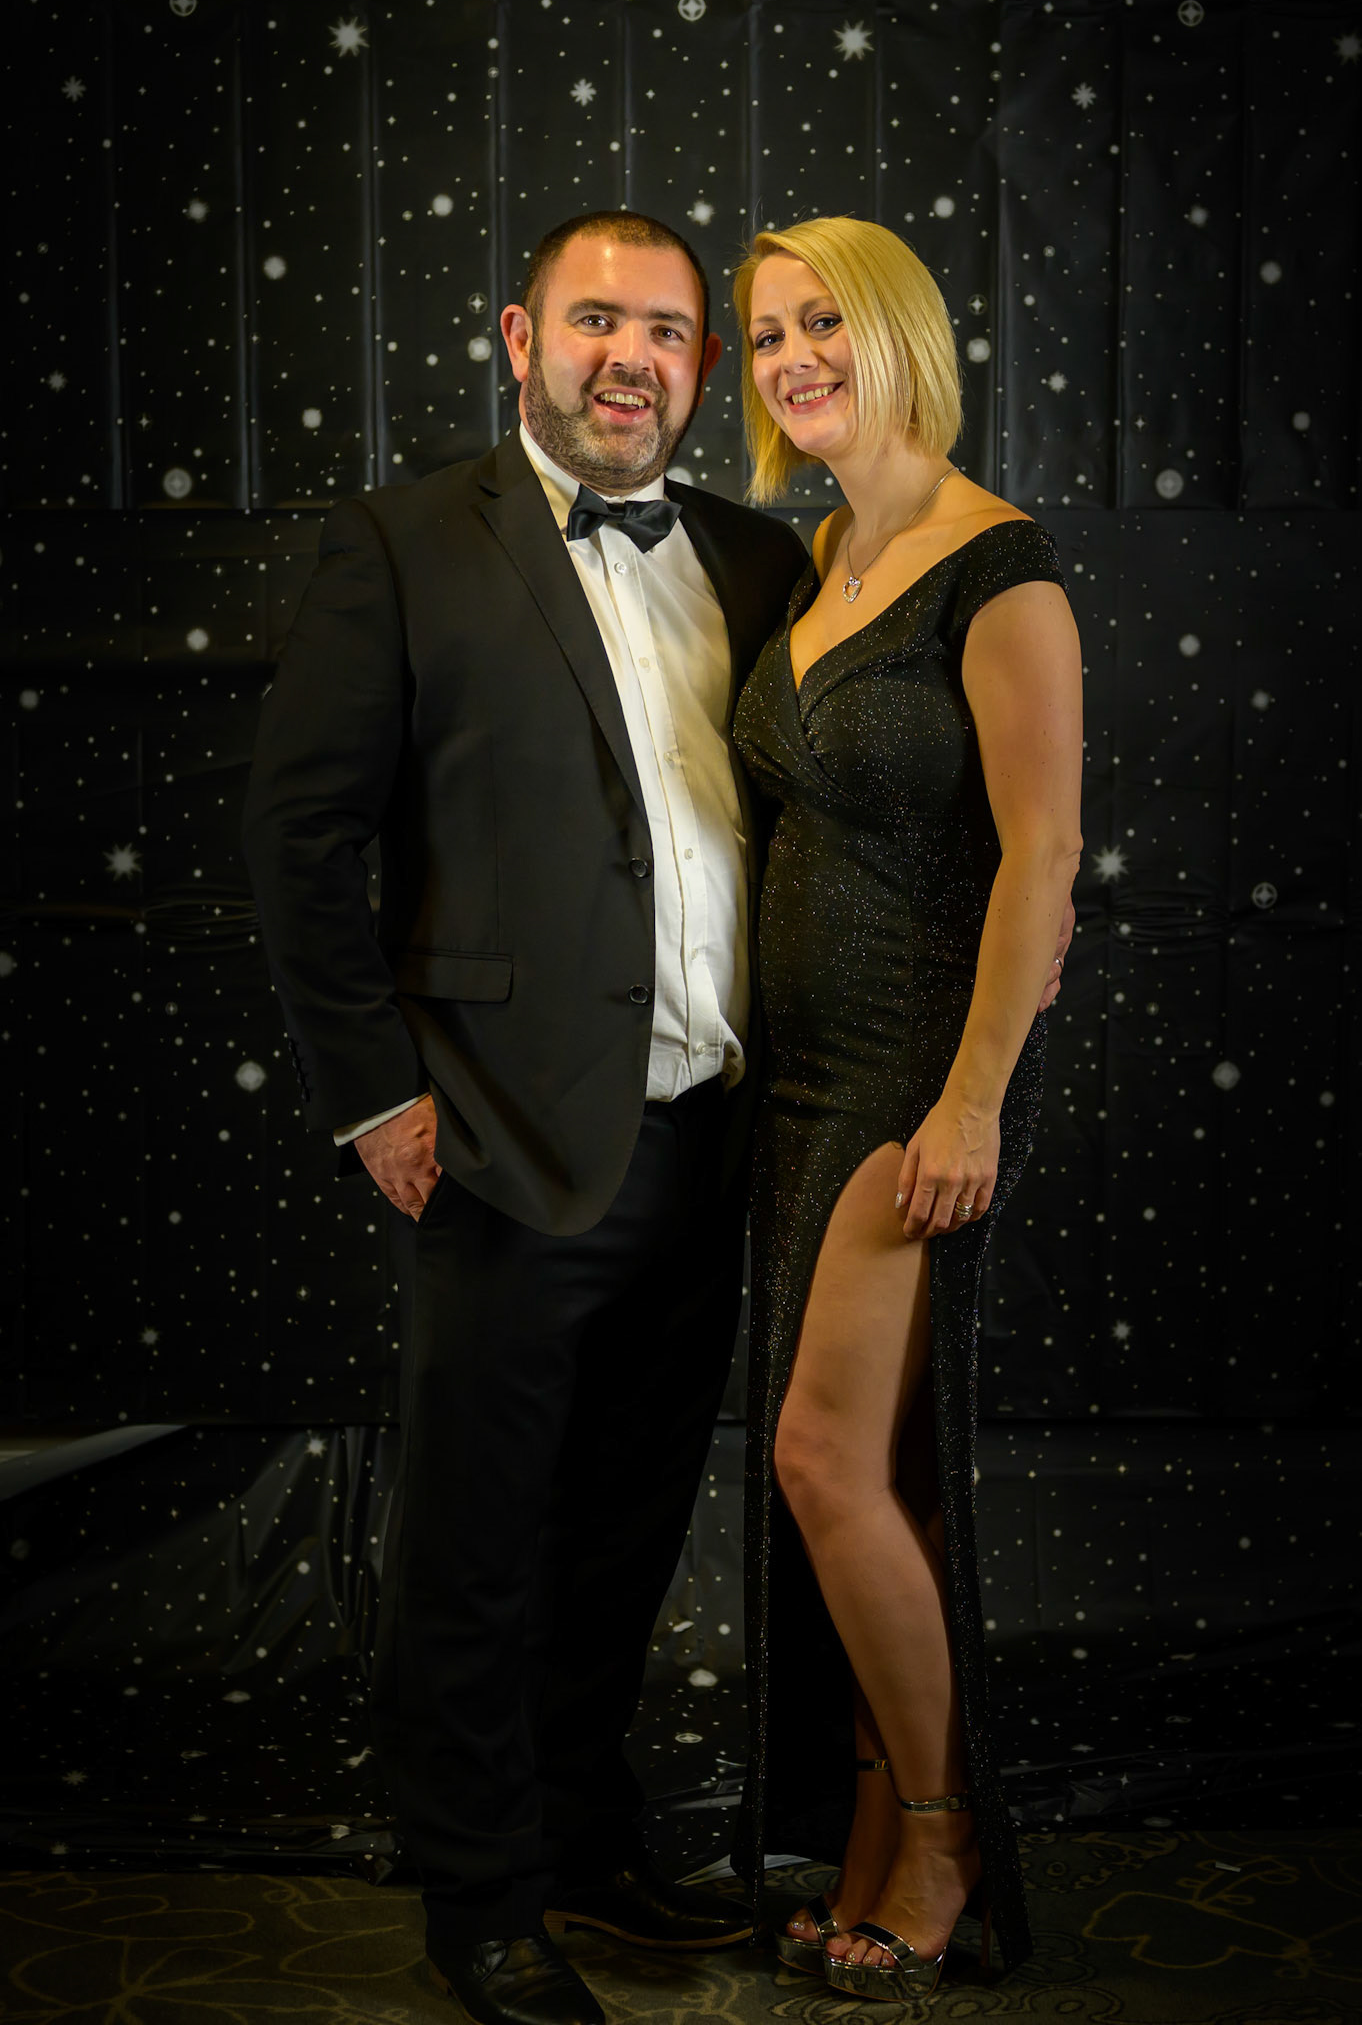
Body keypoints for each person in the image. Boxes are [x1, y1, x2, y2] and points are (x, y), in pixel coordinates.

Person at [242, 209, 810, 2025]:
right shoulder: (401, 542)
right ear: (519, 337)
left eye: (665, 331)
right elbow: (301, 839)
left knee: (627, 1524)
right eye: (594, 321)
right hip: (494, 1131)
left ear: (699, 369)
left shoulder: (758, 556)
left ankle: (581, 1839)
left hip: (713, 1130)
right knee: (479, 1543)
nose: (628, 357)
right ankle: (477, 1897)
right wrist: (375, 1097)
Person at [729, 216, 1084, 2003]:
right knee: (875, 1482)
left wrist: (971, 1101)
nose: (792, 359)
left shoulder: (995, 566)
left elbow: (1044, 858)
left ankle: (941, 1843)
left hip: (906, 1077)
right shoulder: (820, 555)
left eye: (824, 323)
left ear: (898, 336)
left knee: (817, 1458)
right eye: (765, 335)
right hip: (791, 1088)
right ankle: (879, 1829)